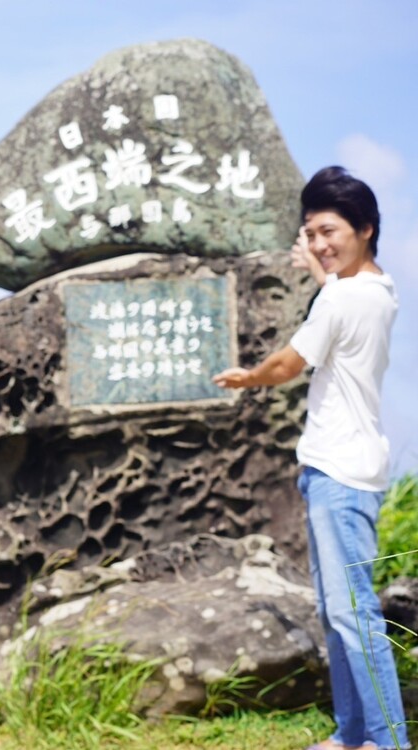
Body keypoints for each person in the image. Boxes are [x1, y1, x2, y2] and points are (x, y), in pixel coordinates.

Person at [212, 166, 409, 750]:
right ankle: (353, 735)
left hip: (341, 478)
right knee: (336, 614)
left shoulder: (346, 297)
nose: (321, 244)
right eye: (312, 233)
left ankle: (389, 740)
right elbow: (338, 308)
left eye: (330, 231)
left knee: (354, 616)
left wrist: (248, 377)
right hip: (338, 471)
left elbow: (288, 365)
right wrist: (324, 276)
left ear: (366, 229)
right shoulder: (375, 290)